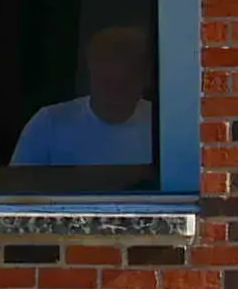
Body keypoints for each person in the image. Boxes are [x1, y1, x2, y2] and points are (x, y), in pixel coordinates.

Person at [9, 22, 158, 176]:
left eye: (128, 79)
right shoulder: (48, 123)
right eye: (107, 79)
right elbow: (18, 185)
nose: (117, 83)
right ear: (90, 69)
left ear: (147, 77)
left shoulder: (163, 123)